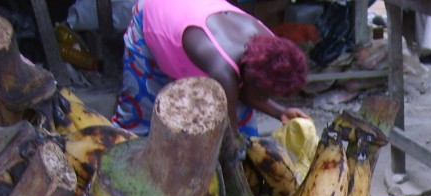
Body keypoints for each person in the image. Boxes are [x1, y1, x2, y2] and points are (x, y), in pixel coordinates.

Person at [111, 0, 310, 139]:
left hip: (193, 14)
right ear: (249, 78)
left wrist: (281, 112)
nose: (262, 99)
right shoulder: (223, 70)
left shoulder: (267, 44)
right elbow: (229, 140)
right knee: (140, 120)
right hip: (156, 18)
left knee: (242, 119)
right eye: (262, 94)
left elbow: (246, 93)